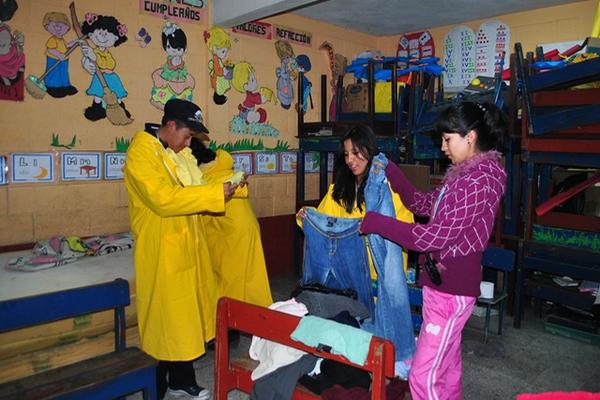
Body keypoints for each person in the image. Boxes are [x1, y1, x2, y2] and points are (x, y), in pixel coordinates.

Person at [360, 101, 508, 400]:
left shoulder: (480, 181)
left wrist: (377, 223)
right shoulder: (462, 176)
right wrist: (390, 169)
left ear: (471, 136)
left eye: (447, 139)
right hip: (441, 287)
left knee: (422, 375)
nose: (442, 147)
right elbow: (422, 204)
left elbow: (433, 237)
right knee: (447, 367)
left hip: (451, 293)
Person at [124, 98, 237, 400]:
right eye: (187, 135)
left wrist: (227, 186)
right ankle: (157, 384)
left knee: (183, 317)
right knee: (164, 320)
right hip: (161, 249)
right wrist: (213, 193)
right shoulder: (141, 152)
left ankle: (182, 378)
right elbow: (164, 198)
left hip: (186, 243)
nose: (189, 142)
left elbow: (196, 185)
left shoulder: (177, 152)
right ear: (170, 126)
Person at [296, 124, 415, 377]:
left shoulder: (388, 189)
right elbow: (324, 221)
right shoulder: (340, 191)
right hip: (349, 278)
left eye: (356, 153)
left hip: (380, 277)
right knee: (355, 332)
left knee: (381, 331)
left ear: (369, 150)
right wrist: (306, 217)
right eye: (347, 154)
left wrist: (377, 226)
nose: (350, 160)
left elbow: (406, 231)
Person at [167, 135, 274, 308]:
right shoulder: (225, 171)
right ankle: (259, 319)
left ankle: (233, 323)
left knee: (230, 282)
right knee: (252, 278)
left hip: (230, 235)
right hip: (246, 229)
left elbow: (201, 212)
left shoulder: (205, 180)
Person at [80, 13, 130, 121]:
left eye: (107, 34)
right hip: (99, 76)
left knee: (116, 92)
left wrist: (106, 69)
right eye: (99, 32)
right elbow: (89, 61)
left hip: (111, 77)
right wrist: (88, 62)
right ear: (91, 34)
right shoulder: (93, 52)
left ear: (116, 38)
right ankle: (97, 108)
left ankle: (120, 106)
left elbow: (112, 64)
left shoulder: (107, 54)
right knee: (98, 93)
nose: (102, 36)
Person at [150, 21, 195, 110]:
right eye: (169, 47)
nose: (174, 51)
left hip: (180, 78)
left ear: (184, 49)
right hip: (169, 76)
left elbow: (183, 71)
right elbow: (167, 69)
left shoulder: (182, 65)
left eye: (178, 48)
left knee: (184, 90)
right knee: (165, 89)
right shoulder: (169, 63)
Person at [41, 12, 78, 98]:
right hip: (54, 60)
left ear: (67, 27)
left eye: (61, 26)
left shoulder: (61, 39)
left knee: (64, 73)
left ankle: (66, 86)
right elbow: (50, 49)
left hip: (64, 60)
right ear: (47, 27)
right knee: (54, 73)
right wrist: (59, 55)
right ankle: (52, 87)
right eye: (54, 26)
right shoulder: (53, 39)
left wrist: (75, 42)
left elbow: (66, 46)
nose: (58, 29)